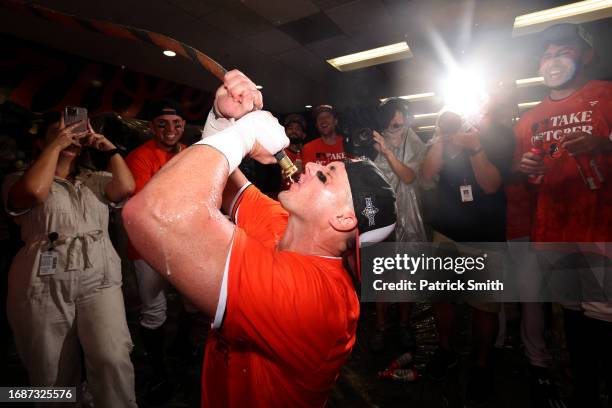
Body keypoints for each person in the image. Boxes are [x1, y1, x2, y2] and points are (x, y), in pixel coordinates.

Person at [122, 70, 397, 407]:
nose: (310, 167)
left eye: (325, 176)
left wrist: (246, 133)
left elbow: (153, 213)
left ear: (343, 219)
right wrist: (223, 119)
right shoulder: (287, 223)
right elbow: (223, 187)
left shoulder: (314, 302)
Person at [2, 111, 137, 407]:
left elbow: (127, 187)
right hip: (42, 280)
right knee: (50, 369)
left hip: (99, 275)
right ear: (40, 143)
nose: (69, 136)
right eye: (59, 131)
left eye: (74, 132)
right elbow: (36, 192)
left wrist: (110, 148)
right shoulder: (17, 179)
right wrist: (55, 146)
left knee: (112, 356)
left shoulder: (96, 180)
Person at [515, 23, 612, 407]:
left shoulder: (606, 96)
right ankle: (584, 393)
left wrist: (604, 145)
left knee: (604, 319)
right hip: (554, 233)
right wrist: (529, 172)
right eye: (546, 53)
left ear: (585, 55)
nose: (553, 59)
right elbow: (532, 178)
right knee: (572, 318)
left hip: (602, 230)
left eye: (564, 50)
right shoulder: (529, 118)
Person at [422, 100, 515, 405]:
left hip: (485, 235)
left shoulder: (499, 135)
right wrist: (441, 134)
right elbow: (428, 174)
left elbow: (490, 185)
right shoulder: (445, 136)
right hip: (447, 230)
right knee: (442, 298)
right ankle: (445, 349)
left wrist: (474, 146)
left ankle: (482, 364)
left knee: (483, 307)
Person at [124, 99, 195, 403]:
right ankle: (157, 371)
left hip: (183, 241)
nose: (170, 129)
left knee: (193, 301)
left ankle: (180, 345)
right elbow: (145, 205)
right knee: (154, 311)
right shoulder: (139, 157)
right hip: (149, 246)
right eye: (163, 124)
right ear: (152, 127)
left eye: (176, 123)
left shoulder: (188, 152)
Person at [369, 98, 427, 352]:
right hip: (380, 214)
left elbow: (408, 175)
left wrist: (388, 151)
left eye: (400, 124)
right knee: (380, 273)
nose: (397, 130)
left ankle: (404, 324)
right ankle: (381, 327)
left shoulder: (412, 140)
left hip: (407, 213)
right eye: (392, 126)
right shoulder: (373, 139)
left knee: (405, 274)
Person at [280, 113, 307, 190]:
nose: (293, 131)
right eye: (290, 128)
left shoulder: (308, 152)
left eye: (298, 129)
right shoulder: (279, 153)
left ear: (303, 135)